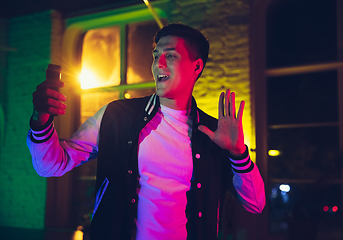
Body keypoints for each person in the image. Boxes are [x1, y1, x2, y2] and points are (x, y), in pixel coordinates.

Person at [27, 23, 265, 240]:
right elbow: (50, 164)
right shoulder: (116, 116)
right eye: (156, 55)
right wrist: (41, 119)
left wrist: (238, 152)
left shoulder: (214, 134)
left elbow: (256, 203)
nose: (158, 64)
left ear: (196, 66)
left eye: (170, 55)